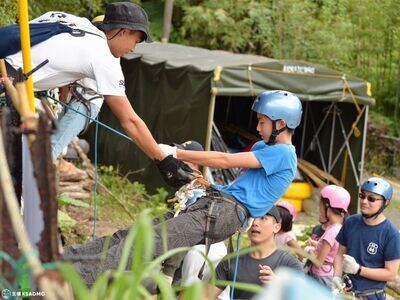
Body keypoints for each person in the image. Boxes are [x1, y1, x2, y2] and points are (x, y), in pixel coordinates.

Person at [64, 90, 303, 286]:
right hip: (214, 203)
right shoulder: (264, 147)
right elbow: (244, 187)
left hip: (224, 213)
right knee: (134, 234)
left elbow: (225, 160)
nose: (258, 127)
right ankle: (63, 259)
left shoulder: (284, 154)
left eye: (262, 122)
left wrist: (174, 152)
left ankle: (69, 280)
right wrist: (207, 184)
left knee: (144, 243)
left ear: (280, 124)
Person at [2, 2, 188, 182]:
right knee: (28, 164)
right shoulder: (104, 57)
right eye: (135, 41)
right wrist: (163, 161)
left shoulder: (72, 20)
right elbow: (130, 121)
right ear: (122, 31)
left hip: (6, 66)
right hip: (6, 82)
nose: (132, 49)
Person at [210, 206, 303, 299]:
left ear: (277, 227)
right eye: (251, 218)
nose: (254, 222)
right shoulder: (232, 260)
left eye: (263, 218)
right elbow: (206, 295)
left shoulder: (290, 264)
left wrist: (280, 285)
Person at [333, 177, 400, 299]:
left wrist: (359, 269)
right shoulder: (351, 221)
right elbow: (340, 253)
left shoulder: (391, 234)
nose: (364, 201)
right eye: (362, 196)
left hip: (371, 296)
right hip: (345, 292)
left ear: (386, 202)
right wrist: (336, 276)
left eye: (371, 199)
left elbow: (391, 273)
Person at [306, 185, 350, 288]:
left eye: (320, 205)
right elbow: (332, 251)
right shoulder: (340, 228)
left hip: (320, 278)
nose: (319, 208)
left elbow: (318, 262)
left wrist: (309, 251)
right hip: (329, 275)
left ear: (327, 206)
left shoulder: (331, 231)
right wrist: (316, 244)